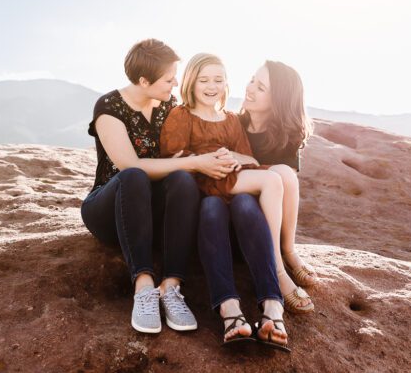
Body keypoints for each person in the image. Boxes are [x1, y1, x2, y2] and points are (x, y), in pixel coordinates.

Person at [81, 39, 238, 334]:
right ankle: (143, 287)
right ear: (143, 80)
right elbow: (130, 164)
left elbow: (188, 153)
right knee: (135, 176)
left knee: (181, 178)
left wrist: (212, 157)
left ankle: (171, 286)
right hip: (110, 209)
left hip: (152, 211)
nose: (176, 83)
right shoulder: (109, 107)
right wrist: (188, 162)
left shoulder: (169, 107)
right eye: (169, 79)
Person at [160, 53, 290, 350]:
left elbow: (250, 158)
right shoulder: (182, 115)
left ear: (226, 84)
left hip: (229, 182)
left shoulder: (231, 120)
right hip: (203, 184)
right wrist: (202, 161)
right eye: (204, 80)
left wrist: (232, 157)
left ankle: (273, 306)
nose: (211, 86)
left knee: (256, 193)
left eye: (218, 80)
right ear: (191, 83)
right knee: (257, 186)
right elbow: (172, 158)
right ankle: (230, 308)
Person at [232, 60, 316, 314]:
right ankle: (277, 270)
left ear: (278, 99)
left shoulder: (285, 133)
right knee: (275, 175)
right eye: (251, 80)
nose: (250, 88)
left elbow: (283, 186)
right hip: (238, 214)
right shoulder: (232, 124)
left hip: (270, 217)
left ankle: (288, 249)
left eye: (261, 87)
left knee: (284, 175)